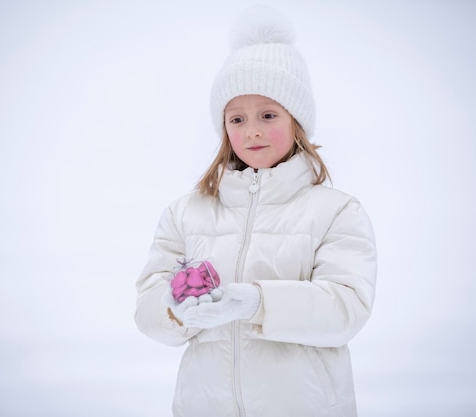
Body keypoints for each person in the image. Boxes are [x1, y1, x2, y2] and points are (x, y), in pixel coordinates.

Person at [134, 5, 377, 417]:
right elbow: (147, 310)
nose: (252, 131)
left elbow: (345, 310)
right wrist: (176, 308)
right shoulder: (186, 213)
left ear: (297, 121)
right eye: (237, 118)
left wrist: (255, 302)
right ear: (223, 127)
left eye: (268, 114)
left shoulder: (336, 212)